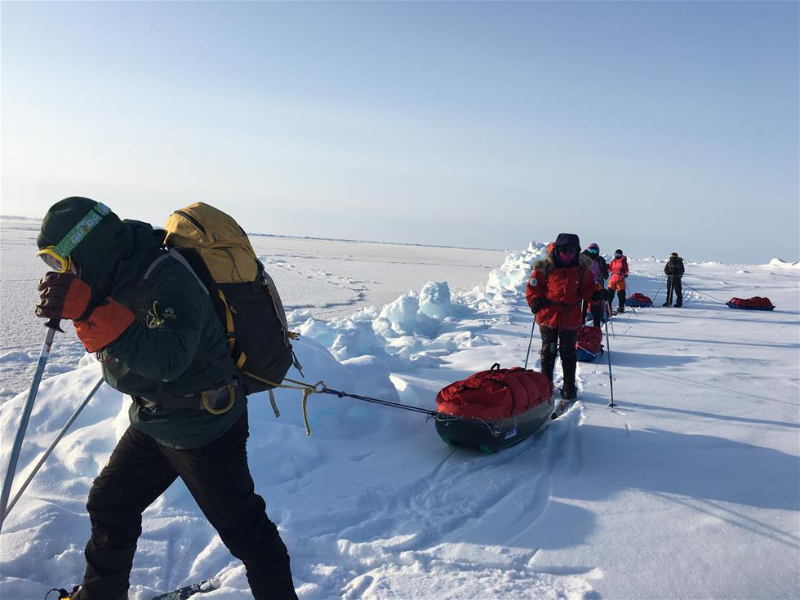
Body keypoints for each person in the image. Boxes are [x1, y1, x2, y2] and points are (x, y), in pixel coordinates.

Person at [34, 198, 297, 600]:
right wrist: (89, 307)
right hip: (154, 421)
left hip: (205, 428)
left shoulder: (166, 278)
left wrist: (89, 308)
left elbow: (168, 358)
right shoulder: (115, 275)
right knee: (110, 503)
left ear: (86, 245)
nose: (60, 271)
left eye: (59, 260)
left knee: (248, 535)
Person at [526, 233, 596, 400]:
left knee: (568, 353)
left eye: (571, 250)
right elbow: (533, 288)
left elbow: (589, 290)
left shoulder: (581, 270)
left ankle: (569, 387)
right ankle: (546, 387)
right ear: (557, 249)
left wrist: (598, 294)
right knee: (548, 352)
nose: (567, 254)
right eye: (564, 249)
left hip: (570, 317)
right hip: (548, 316)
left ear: (577, 251)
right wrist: (534, 300)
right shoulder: (544, 267)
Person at [581, 243, 608, 328]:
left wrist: (604, 274)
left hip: (597, 285)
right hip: (584, 285)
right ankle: (581, 324)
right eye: (590, 250)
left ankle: (596, 326)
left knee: (596, 305)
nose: (592, 253)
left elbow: (605, 272)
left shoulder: (600, 261)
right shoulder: (584, 260)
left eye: (594, 250)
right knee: (583, 305)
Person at [607, 249, 629, 314]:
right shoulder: (613, 261)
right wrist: (605, 269)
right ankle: (608, 307)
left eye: (618, 254)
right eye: (616, 254)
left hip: (620, 279)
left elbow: (627, 271)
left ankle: (621, 307)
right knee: (609, 294)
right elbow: (610, 269)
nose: (617, 256)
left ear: (621, 255)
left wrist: (624, 271)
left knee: (621, 295)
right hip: (613, 279)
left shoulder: (623, 261)